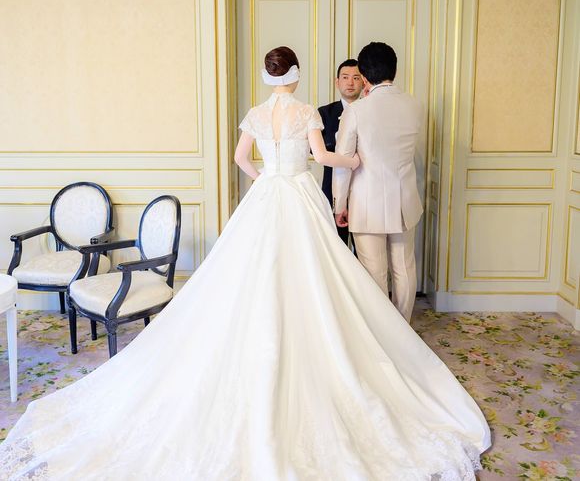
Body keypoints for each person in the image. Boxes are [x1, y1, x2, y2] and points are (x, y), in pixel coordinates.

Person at [0, 46, 490, 480]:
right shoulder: (305, 112)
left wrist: (264, 177)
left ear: (268, 77)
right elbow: (323, 157)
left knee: (249, 273)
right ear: (295, 75)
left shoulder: (255, 113)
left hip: (269, 193)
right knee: (316, 273)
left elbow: (240, 158)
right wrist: (352, 163)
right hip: (298, 194)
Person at [333, 42, 423, 323]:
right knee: (404, 267)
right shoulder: (414, 105)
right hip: (405, 201)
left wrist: (340, 204)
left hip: (367, 203)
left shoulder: (357, 110)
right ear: (394, 70)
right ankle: (403, 328)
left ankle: (383, 332)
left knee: (374, 273)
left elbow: (343, 161)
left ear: (363, 75)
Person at [317, 59, 363, 246]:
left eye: (356, 78)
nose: (350, 82)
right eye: (345, 77)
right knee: (337, 247)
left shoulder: (369, 111)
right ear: (337, 82)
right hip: (332, 189)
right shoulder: (324, 113)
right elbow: (316, 149)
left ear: (364, 81)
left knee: (365, 252)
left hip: (364, 190)